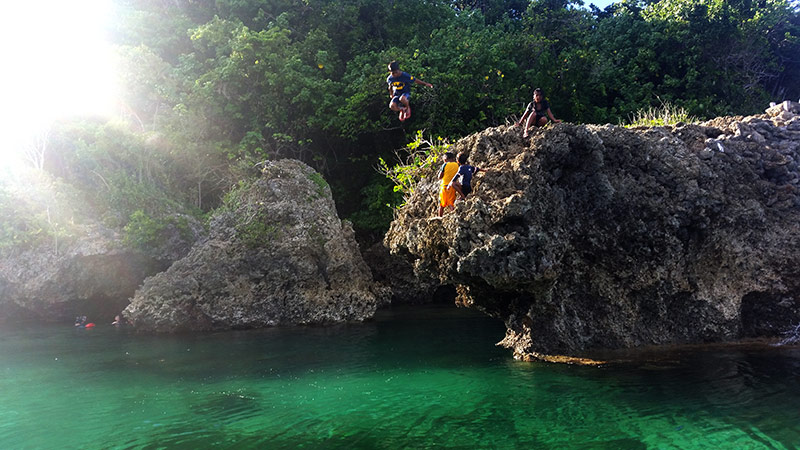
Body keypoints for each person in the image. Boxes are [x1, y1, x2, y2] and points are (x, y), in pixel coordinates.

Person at [437, 152, 459, 216]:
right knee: (451, 203)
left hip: (444, 186)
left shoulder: (445, 165)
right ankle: (454, 217)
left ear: (445, 160)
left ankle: (440, 218)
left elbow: (439, 177)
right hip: (452, 187)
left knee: (441, 205)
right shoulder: (457, 165)